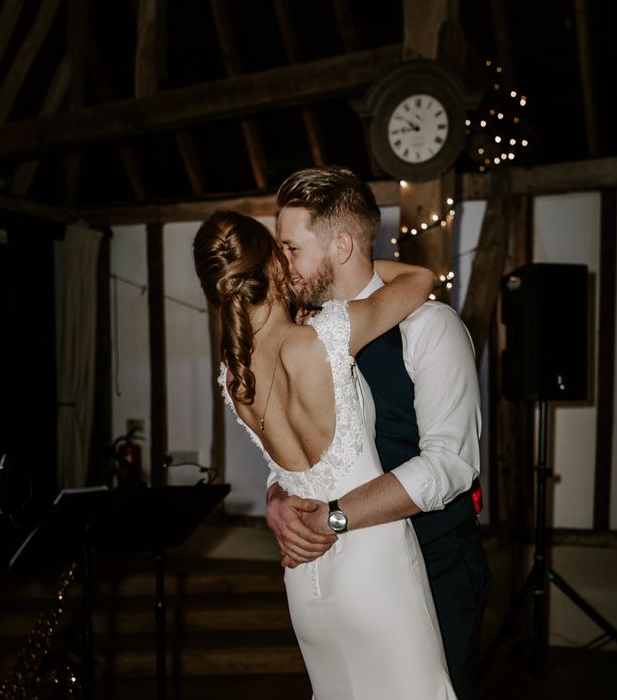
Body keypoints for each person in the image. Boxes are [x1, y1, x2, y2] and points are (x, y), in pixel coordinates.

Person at [193, 210, 457, 699]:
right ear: (273, 266)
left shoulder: (234, 377)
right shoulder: (329, 334)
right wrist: (343, 257)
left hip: (303, 576)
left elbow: (283, 474)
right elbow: (420, 280)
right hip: (374, 566)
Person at [266, 166, 491, 699]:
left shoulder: (430, 328)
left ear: (341, 247)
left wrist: (335, 516)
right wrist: (277, 499)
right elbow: (291, 450)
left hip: (435, 565)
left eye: (291, 248)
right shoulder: (301, 338)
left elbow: (450, 465)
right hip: (344, 575)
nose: (282, 264)